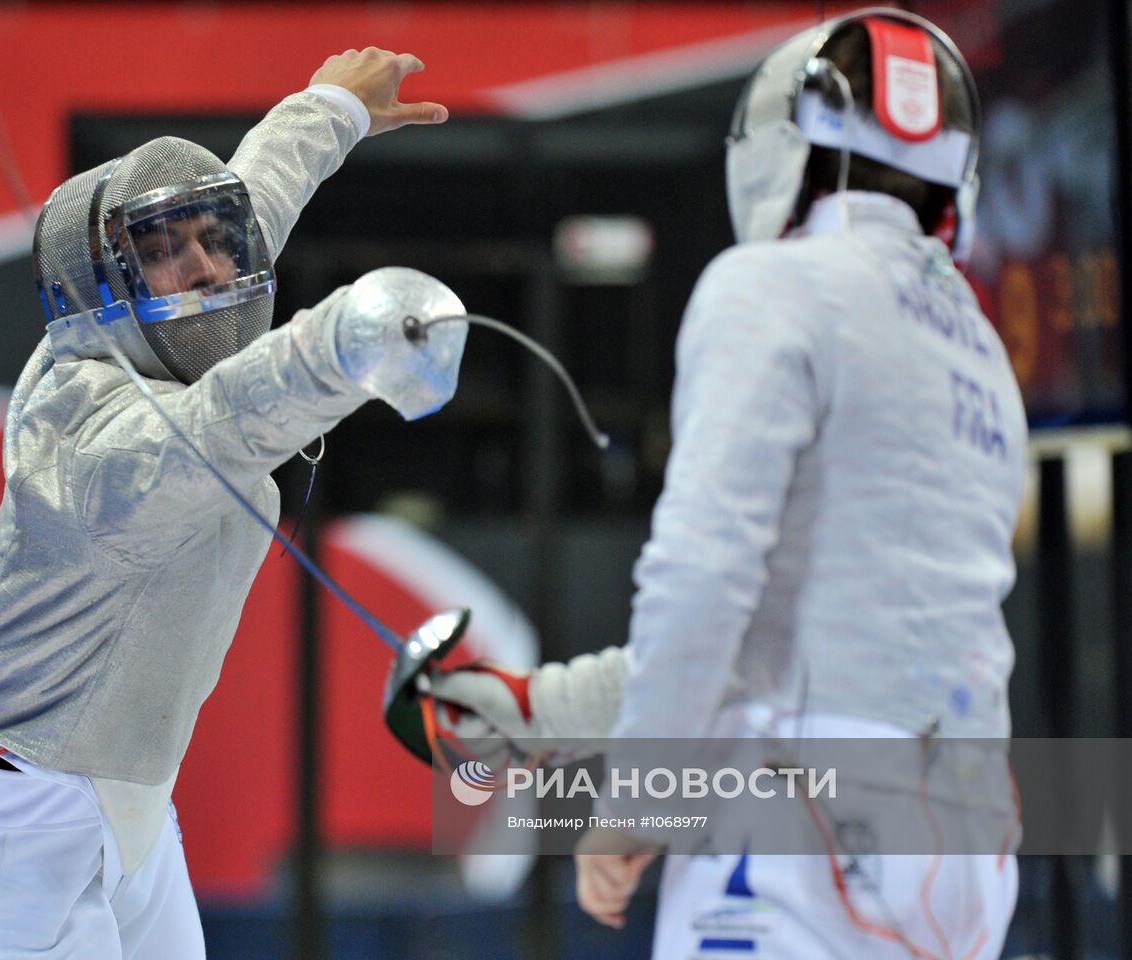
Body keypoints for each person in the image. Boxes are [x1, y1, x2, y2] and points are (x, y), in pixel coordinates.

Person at [429, 11, 1026, 958]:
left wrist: (633, 802)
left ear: (786, 142)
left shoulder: (771, 287)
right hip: (971, 843)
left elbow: (706, 582)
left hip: (803, 821)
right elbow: (789, 636)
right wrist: (543, 708)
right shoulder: (981, 350)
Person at [0, 48, 466, 960]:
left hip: (127, 807)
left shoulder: (170, 332)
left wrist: (328, 111)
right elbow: (218, 431)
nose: (202, 268)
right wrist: (345, 344)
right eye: (160, 253)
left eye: (208, 240)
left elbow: (249, 211)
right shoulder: (91, 439)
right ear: (104, 288)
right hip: (1, 828)